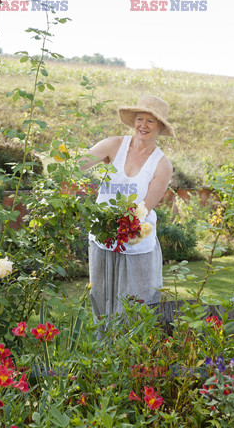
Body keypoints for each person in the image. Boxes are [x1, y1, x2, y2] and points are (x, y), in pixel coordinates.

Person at [80, 94, 175, 321]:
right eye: (139, 119)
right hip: (102, 239)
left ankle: (132, 355)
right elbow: (76, 167)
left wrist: (122, 227)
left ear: (160, 126)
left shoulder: (162, 165)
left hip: (136, 244)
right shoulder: (113, 145)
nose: (143, 125)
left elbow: (144, 208)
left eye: (150, 121)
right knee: (101, 304)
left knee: (135, 308)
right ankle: (102, 354)